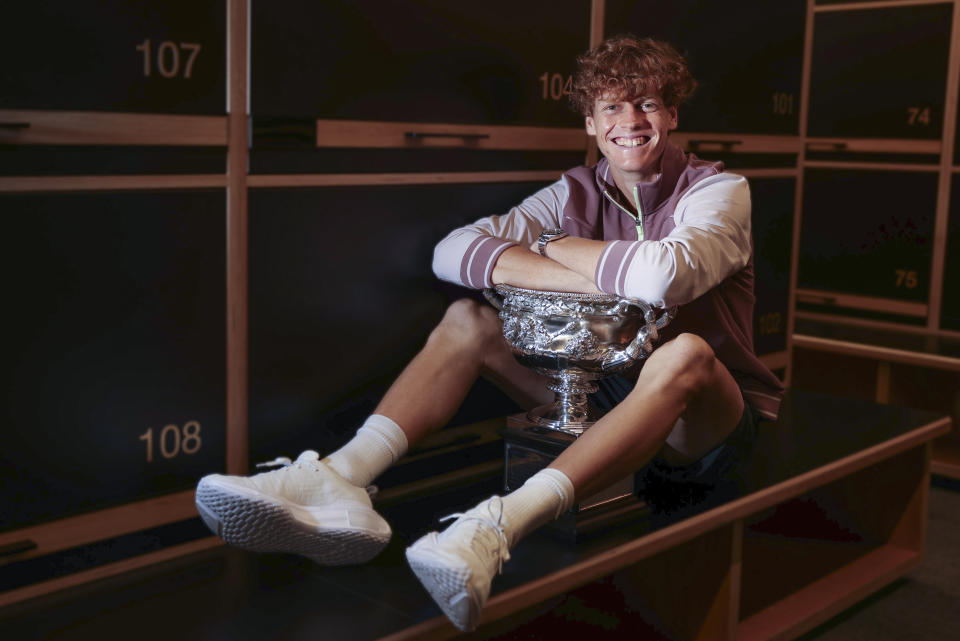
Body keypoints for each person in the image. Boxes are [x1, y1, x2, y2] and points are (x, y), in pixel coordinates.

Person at [195, 35, 784, 632]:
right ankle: (341, 476)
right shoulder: (573, 192)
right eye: (612, 107)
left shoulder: (717, 190)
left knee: (684, 352)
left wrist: (552, 244)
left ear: (672, 115)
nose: (630, 121)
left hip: (701, 429)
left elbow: (663, 276)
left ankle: (494, 527)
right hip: (604, 395)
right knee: (467, 319)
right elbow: (452, 251)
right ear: (590, 121)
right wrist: (580, 268)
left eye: (648, 105)